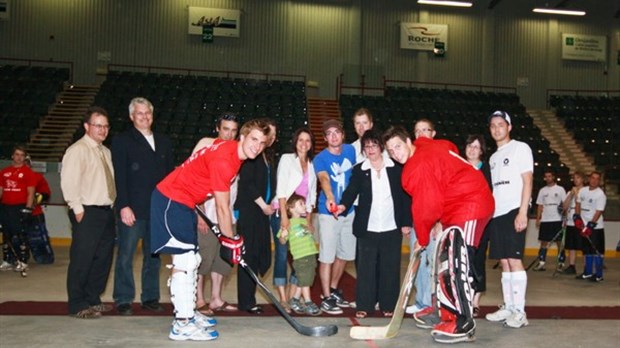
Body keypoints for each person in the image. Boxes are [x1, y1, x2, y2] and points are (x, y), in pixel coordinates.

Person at [151, 118, 270, 341]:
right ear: (242, 137)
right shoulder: (226, 160)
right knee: (184, 263)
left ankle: (189, 312)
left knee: (192, 260)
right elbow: (223, 208)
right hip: (171, 200)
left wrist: (229, 241)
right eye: (253, 139)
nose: (257, 146)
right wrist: (231, 241)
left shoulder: (231, 152)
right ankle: (181, 323)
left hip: (184, 202)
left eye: (262, 142)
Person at [383, 125, 494, 342]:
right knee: (445, 262)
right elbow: (449, 148)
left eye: (398, 146)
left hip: (472, 204)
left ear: (408, 142)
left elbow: (426, 207)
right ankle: (444, 311)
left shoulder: (417, 166)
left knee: (458, 264)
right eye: (391, 151)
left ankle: (463, 323)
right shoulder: (428, 146)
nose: (396, 154)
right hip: (457, 207)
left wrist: (421, 239)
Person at [336, 129, 412, 319]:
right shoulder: (359, 170)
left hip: (391, 227)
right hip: (367, 228)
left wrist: (406, 222)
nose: (370, 149)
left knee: (390, 268)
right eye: (367, 146)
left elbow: (404, 197)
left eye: (374, 145)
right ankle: (364, 305)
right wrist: (342, 205)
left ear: (381, 147)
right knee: (366, 269)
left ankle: (388, 305)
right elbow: (351, 191)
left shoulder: (395, 168)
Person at [111, 97, 174, 315]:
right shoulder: (122, 141)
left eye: (147, 112)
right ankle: (123, 299)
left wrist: (168, 207)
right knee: (126, 256)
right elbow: (119, 176)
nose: (144, 116)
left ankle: (150, 297)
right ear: (131, 116)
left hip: (157, 210)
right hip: (132, 209)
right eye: (139, 113)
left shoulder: (164, 141)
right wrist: (124, 205)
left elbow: (169, 178)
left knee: (153, 257)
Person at [60, 107, 117, 319]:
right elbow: (69, 182)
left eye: (105, 126)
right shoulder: (77, 150)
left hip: (105, 212)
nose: (102, 130)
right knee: (82, 259)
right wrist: (77, 209)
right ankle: (77, 303)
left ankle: (93, 298)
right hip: (87, 212)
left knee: (103, 259)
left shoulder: (105, 151)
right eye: (98, 125)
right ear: (87, 126)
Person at [484, 110, 533, 329]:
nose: (496, 128)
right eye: (493, 125)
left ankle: (520, 312)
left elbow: (528, 181)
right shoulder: (493, 158)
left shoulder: (520, 148)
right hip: (497, 213)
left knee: (514, 260)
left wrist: (523, 211)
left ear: (509, 127)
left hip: (514, 210)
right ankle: (509, 307)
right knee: (503, 262)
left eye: (501, 124)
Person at [193, 113, 240, 315]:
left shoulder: (236, 151)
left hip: (227, 216)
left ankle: (216, 299)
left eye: (233, 130)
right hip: (208, 216)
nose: (229, 134)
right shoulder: (206, 144)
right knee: (203, 259)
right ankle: (198, 299)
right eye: (225, 129)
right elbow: (193, 178)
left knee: (222, 261)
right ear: (217, 129)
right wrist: (199, 213)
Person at [313, 118, 356, 315]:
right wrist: (330, 198)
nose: (333, 136)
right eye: (329, 133)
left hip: (349, 211)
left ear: (343, 134)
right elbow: (324, 179)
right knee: (327, 256)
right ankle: (326, 297)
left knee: (345, 254)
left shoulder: (350, 151)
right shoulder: (320, 158)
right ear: (325, 138)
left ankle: (332, 289)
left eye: (336, 132)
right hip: (328, 213)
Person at [235, 119, 277, 315]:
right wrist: (263, 205)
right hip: (250, 211)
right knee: (248, 256)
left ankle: (249, 298)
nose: (271, 138)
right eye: (269, 134)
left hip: (262, 212)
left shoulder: (266, 156)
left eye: (273, 135)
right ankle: (246, 301)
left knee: (260, 254)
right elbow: (247, 184)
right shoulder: (250, 157)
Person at [273, 127, 317, 310]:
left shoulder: (313, 165)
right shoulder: (287, 159)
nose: (304, 144)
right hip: (284, 213)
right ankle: (283, 297)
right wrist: (284, 217)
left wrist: (309, 220)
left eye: (307, 140)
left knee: (302, 255)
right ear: (295, 141)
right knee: (283, 256)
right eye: (301, 140)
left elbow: (312, 195)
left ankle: (294, 296)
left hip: (302, 216)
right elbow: (281, 189)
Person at [405, 118, 439, 316]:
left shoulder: (438, 155)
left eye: (426, 130)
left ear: (433, 134)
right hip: (417, 219)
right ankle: (421, 301)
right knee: (417, 260)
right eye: (417, 131)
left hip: (434, 221)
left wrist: (439, 221)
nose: (421, 134)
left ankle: (432, 303)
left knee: (432, 264)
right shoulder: (412, 157)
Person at [276, 193, 320, 316]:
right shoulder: (288, 223)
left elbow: (311, 231)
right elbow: (282, 240)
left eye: (304, 203)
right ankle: (308, 301)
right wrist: (283, 236)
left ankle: (294, 299)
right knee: (305, 281)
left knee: (306, 278)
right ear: (291, 208)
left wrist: (310, 227)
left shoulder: (304, 220)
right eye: (301, 204)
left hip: (311, 253)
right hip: (300, 256)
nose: (304, 206)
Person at [463, 134, 492, 317]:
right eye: (469, 146)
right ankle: (462, 297)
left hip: (481, 222)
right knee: (462, 260)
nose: (472, 149)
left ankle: (475, 300)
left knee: (478, 260)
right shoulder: (459, 167)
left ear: (481, 151)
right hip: (461, 221)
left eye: (476, 147)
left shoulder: (488, 170)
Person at [0, 145, 36, 272]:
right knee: (6, 234)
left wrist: (28, 208)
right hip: (5, 207)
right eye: (17, 154)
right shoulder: (4, 172)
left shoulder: (28, 173)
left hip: (19, 207)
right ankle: (8, 259)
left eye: (22, 155)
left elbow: (31, 192)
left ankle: (23, 260)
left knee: (20, 234)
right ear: (12, 156)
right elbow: (1, 190)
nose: (19, 157)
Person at [574, 171, 607, 282]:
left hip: (595, 228)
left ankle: (598, 275)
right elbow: (578, 204)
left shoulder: (600, 194)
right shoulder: (582, 191)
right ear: (589, 179)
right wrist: (577, 217)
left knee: (597, 251)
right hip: (582, 225)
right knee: (587, 250)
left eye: (597, 179)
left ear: (599, 181)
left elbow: (598, 212)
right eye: (593, 178)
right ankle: (587, 272)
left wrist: (590, 225)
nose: (594, 180)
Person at [532, 169, 567, 272]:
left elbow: (565, 205)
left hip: (557, 219)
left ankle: (561, 262)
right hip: (545, 219)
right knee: (544, 241)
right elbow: (539, 205)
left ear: (554, 177)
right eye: (546, 176)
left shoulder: (560, 189)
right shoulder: (542, 190)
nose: (548, 178)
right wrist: (538, 219)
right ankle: (542, 263)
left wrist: (564, 218)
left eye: (549, 176)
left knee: (559, 242)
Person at [24, 155, 54, 264]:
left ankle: (45, 257)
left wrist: (34, 200)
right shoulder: (10, 177)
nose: (25, 165)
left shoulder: (37, 177)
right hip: (15, 214)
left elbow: (46, 194)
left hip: (34, 214)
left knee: (39, 238)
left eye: (26, 162)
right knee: (15, 239)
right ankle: (17, 259)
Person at [560, 171, 586, 275]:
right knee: (571, 246)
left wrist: (576, 194)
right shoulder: (571, 191)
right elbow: (564, 206)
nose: (575, 180)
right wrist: (571, 194)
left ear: (583, 179)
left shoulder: (586, 191)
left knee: (584, 246)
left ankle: (586, 267)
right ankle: (572, 266)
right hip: (570, 222)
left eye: (578, 178)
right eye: (574, 178)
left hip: (581, 222)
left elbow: (580, 204)